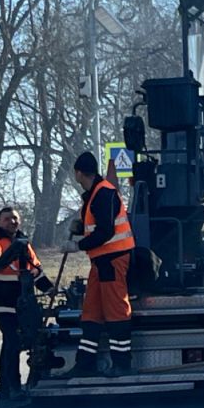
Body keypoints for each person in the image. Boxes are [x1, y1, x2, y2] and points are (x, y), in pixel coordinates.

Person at [62, 152, 136, 376]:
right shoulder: (96, 193)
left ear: (77, 173)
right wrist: (81, 227)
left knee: (116, 312)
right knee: (91, 313)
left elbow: (105, 231)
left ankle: (122, 364)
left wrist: (79, 245)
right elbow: (99, 226)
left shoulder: (103, 193)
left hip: (112, 260)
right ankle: (84, 365)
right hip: (101, 261)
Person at [0, 207, 54, 399]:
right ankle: (11, 386)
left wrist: (50, 290)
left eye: (14, 218)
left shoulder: (23, 243)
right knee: (12, 340)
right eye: (7, 219)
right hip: (2, 301)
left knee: (28, 340)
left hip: (23, 302)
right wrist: (14, 250)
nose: (11, 222)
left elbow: (36, 270)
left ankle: (15, 385)